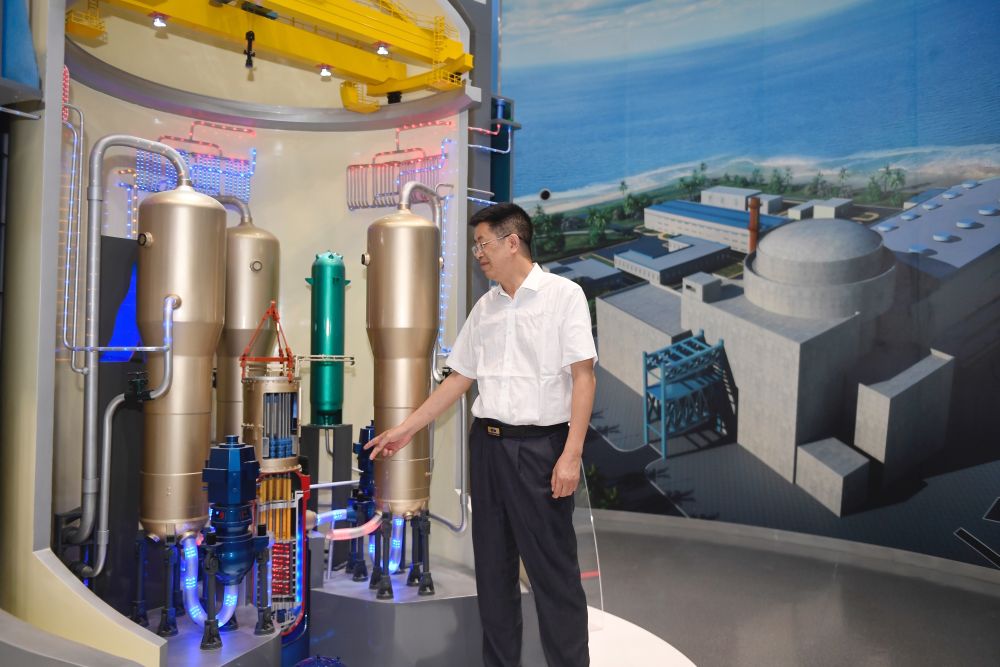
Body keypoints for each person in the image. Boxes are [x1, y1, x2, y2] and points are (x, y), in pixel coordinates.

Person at [365, 202, 596, 667]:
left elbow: (584, 377)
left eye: (483, 244)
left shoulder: (563, 295)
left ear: (512, 242)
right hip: (487, 448)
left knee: (554, 576)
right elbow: (459, 379)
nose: (479, 254)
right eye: (476, 247)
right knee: (493, 574)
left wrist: (571, 455)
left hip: (540, 450)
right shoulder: (486, 307)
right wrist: (407, 428)